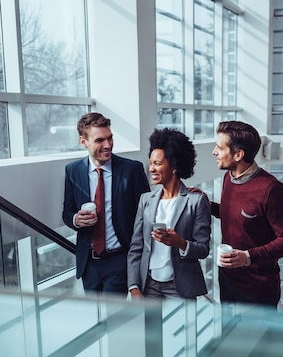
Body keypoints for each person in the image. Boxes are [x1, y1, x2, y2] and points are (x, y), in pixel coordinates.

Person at [211, 120, 283, 307]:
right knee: (229, 336)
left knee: (256, 337)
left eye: (219, 147)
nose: (214, 152)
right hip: (227, 281)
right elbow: (236, 216)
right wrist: (208, 206)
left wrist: (247, 256)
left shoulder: (271, 189)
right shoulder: (229, 177)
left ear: (238, 155)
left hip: (258, 290)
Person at [62, 112, 150, 295]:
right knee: (96, 320)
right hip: (89, 264)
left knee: (114, 319)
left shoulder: (132, 170)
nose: (108, 145)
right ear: (83, 141)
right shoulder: (72, 171)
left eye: (110, 138)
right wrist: (76, 219)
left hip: (120, 260)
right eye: (100, 140)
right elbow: (67, 212)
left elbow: (146, 214)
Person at [127, 128, 211, 300]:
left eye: (157, 163)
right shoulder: (146, 200)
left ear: (174, 165)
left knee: (185, 327)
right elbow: (136, 247)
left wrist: (179, 243)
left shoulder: (196, 201)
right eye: (151, 163)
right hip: (148, 284)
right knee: (150, 328)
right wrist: (133, 286)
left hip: (179, 285)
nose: (151, 169)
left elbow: (203, 249)